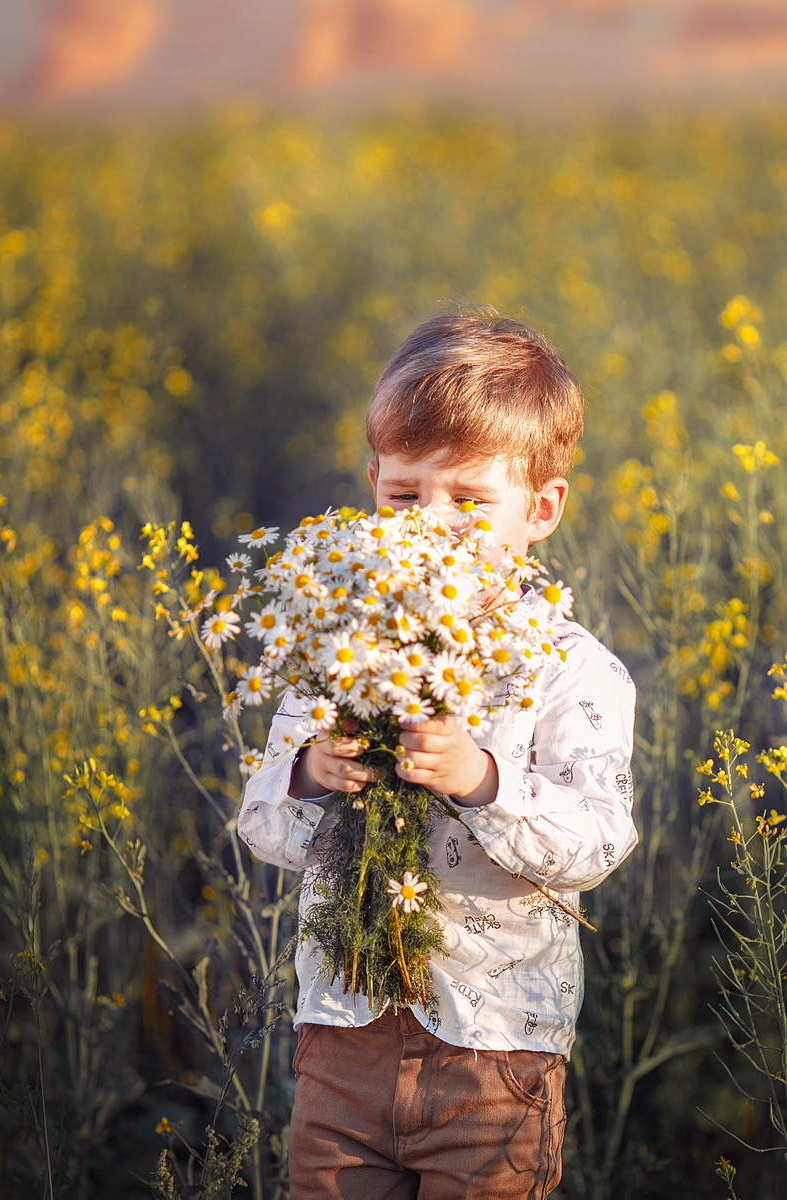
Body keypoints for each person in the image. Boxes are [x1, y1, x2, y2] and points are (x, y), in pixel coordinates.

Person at [237, 308, 637, 1200]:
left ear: (540, 510)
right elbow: (265, 825)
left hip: (497, 1053)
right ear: (372, 482)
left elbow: (600, 842)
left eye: (468, 500)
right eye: (403, 498)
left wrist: (482, 782)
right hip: (344, 1035)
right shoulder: (337, 643)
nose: (428, 527)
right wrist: (310, 776)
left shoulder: (571, 670)